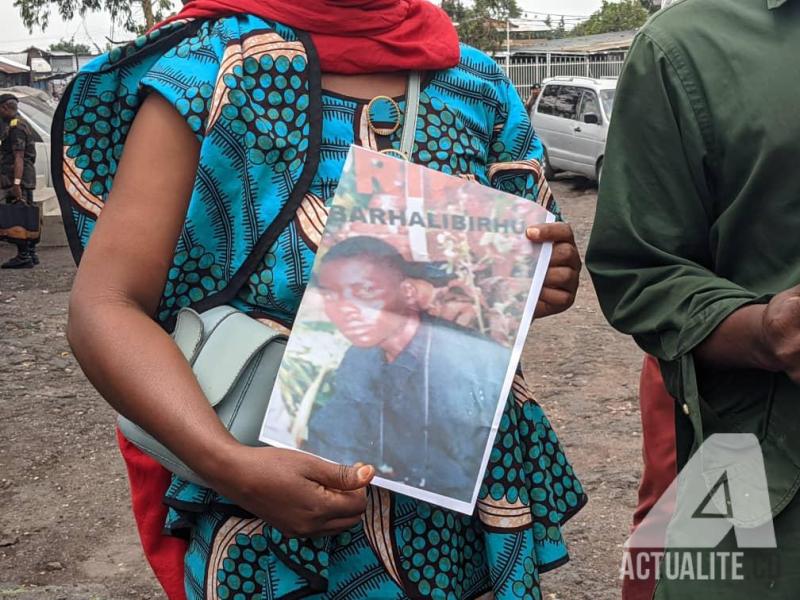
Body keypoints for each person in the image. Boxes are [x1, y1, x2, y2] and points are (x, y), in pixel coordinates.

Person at [58, 1, 586, 598]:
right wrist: (229, 464)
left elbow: (534, 257)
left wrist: (546, 273)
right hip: (266, 504)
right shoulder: (209, 71)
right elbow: (104, 305)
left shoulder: (479, 83)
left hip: (457, 509)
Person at [586, 0, 800, 597]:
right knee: (661, 521)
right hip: (758, 459)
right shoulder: (685, 45)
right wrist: (764, 331)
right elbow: (637, 268)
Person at [304, 236, 510, 501]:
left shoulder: (465, 361)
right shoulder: (359, 357)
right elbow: (334, 433)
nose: (346, 310)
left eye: (365, 291)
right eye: (332, 296)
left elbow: (473, 468)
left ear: (408, 293)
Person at [0, 93, 39, 269]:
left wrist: (16, 183)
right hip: (24, 177)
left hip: (19, 178)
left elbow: (19, 156)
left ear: (5, 108)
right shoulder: (21, 123)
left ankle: (23, 255)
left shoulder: (16, 127)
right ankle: (31, 253)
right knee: (27, 213)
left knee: (18, 216)